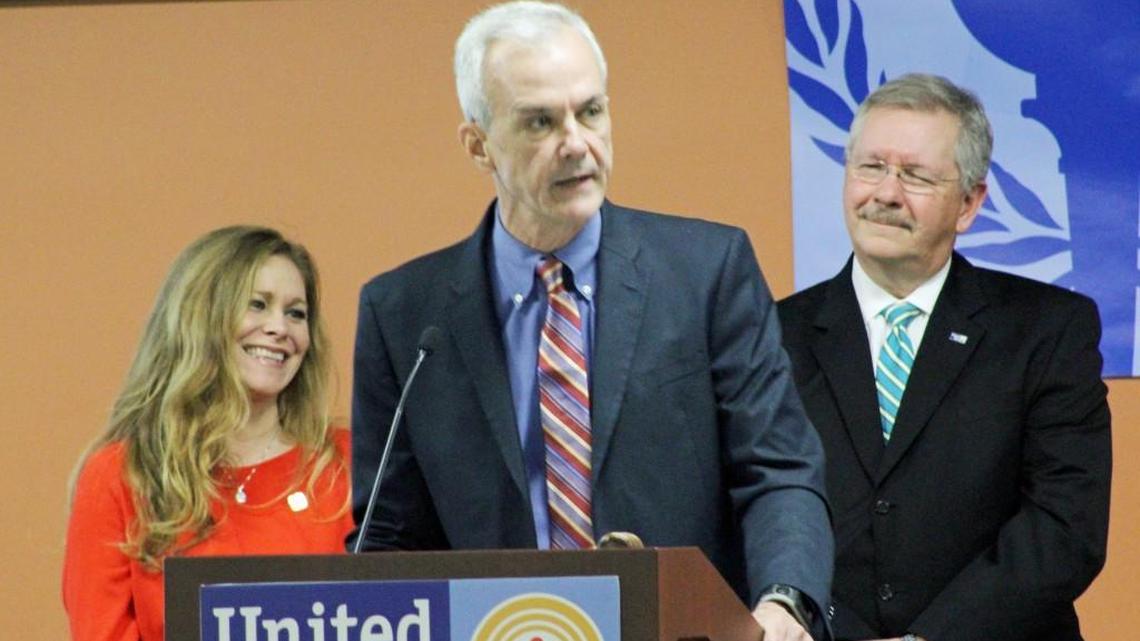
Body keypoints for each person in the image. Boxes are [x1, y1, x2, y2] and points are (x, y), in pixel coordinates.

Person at [349, 2, 833, 640]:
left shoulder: (707, 272)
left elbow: (778, 469)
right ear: (477, 145)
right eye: (540, 122)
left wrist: (784, 602)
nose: (576, 143)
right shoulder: (406, 315)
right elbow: (390, 534)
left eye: (591, 111)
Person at [777, 73, 1111, 641]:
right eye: (871, 167)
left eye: (915, 175)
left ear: (970, 203)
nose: (885, 193)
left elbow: (1063, 526)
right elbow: (749, 511)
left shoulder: (1048, 330)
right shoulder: (771, 334)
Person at [63, 226, 352, 641]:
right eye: (257, 305)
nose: (279, 328)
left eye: (296, 312)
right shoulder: (123, 475)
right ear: (199, 318)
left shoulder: (349, 464)